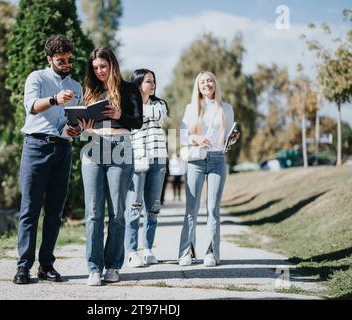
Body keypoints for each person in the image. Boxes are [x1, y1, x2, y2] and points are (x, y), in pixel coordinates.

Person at [13, 34, 83, 285]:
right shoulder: (37, 77)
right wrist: (55, 99)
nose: (66, 64)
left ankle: (46, 266)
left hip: (63, 149)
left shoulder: (77, 87)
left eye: (69, 60)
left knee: (54, 212)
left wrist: (78, 129)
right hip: (36, 147)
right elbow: (31, 105)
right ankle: (23, 267)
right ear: (50, 59)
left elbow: (78, 118)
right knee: (30, 210)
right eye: (61, 60)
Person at [77, 47, 142, 286]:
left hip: (120, 147)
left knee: (117, 213)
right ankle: (94, 268)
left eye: (103, 66)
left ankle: (113, 265)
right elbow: (82, 124)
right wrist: (82, 126)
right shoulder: (90, 90)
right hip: (93, 145)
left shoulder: (129, 89)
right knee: (93, 213)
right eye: (95, 68)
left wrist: (119, 113)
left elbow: (137, 122)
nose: (99, 71)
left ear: (112, 64)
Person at [178, 71, 239, 267]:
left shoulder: (226, 108)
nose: (206, 84)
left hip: (217, 159)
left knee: (213, 208)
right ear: (198, 86)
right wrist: (194, 138)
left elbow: (227, 138)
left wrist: (233, 139)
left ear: (215, 84)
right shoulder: (191, 108)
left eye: (210, 80)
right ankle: (186, 251)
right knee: (191, 209)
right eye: (202, 82)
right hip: (196, 160)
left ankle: (211, 252)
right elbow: (181, 136)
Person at [124, 69, 168, 268]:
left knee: (153, 208)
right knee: (134, 207)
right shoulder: (127, 105)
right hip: (137, 161)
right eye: (148, 81)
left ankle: (148, 249)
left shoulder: (160, 104)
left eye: (154, 81)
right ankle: (132, 251)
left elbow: (158, 115)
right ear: (138, 84)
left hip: (158, 160)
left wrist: (137, 111)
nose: (153, 85)